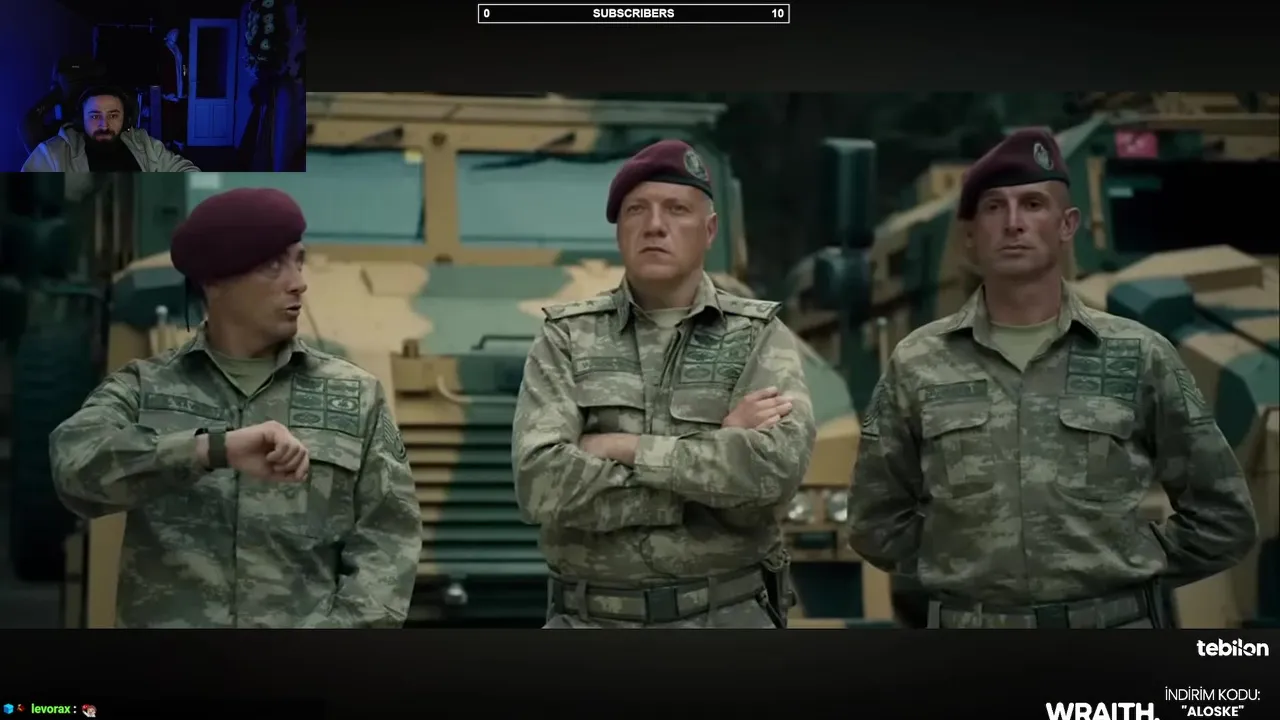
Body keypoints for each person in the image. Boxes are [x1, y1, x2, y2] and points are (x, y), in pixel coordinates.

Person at [847, 129, 1259, 629]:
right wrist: (960, 565)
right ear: (970, 235)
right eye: (994, 208)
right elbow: (873, 521)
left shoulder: (1138, 354)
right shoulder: (918, 362)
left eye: (1033, 204)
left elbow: (1224, 517)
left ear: (1067, 225)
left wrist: (1128, 564)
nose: (1014, 223)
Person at [48, 187, 421, 628]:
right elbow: (74, 470)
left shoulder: (355, 395)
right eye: (273, 265)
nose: (298, 281)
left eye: (299, 261)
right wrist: (210, 450)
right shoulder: (144, 388)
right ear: (215, 282)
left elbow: (390, 536)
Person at [512, 139, 817, 629]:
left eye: (676, 209)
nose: (655, 225)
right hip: (590, 622)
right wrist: (713, 456)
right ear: (619, 230)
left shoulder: (758, 337)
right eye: (637, 210)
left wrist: (622, 447)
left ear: (709, 230)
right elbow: (541, 485)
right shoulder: (567, 337)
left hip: (726, 619)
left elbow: (772, 473)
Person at [21, 85, 198, 172]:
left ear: (125, 119)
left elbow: (186, 172)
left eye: (113, 116)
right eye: (95, 116)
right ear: (81, 120)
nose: (104, 125)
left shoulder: (144, 144)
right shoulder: (52, 154)